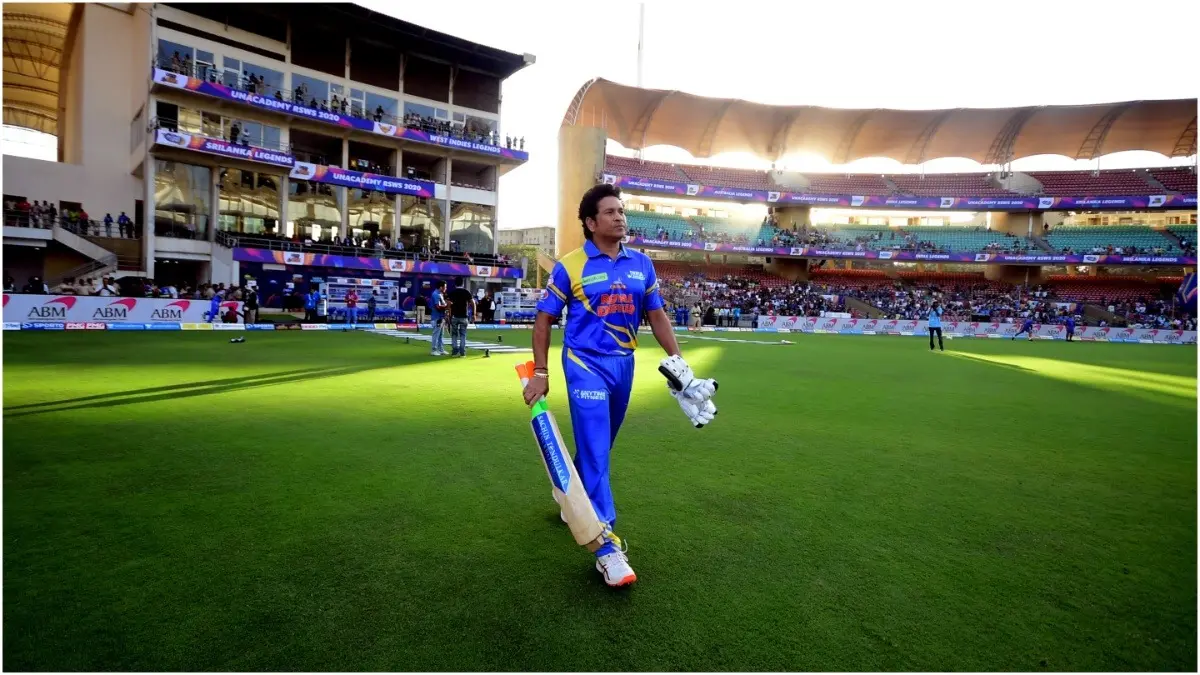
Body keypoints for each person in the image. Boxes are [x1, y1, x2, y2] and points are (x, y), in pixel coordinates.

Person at [522, 183, 719, 588]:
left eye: (622, 211)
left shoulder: (642, 264)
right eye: (610, 212)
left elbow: (657, 315)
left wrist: (678, 363)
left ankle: (570, 498)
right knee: (597, 451)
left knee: (601, 444)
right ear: (591, 223)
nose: (620, 217)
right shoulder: (570, 265)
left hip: (623, 366)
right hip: (583, 364)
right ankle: (606, 547)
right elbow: (543, 319)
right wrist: (541, 372)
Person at [447, 279, 476, 357]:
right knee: (463, 334)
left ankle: (455, 351)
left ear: (455, 284)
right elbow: (473, 303)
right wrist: (474, 314)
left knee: (454, 334)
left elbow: (449, 304)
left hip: (454, 316)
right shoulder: (466, 292)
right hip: (464, 316)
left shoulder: (452, 292)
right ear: (463, 284)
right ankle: (462, 352)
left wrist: (449, 314)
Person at [429, 280, 449, 356]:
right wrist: (447, 306)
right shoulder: (436, 294)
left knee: (441, 335)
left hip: (441, 317)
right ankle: (433, 350)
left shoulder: (440, 294)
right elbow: (438, 307)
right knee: (436, 334)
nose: (446, 288)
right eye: (445, 287)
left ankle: (441, 349)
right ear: (441, 287)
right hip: (437, 317)